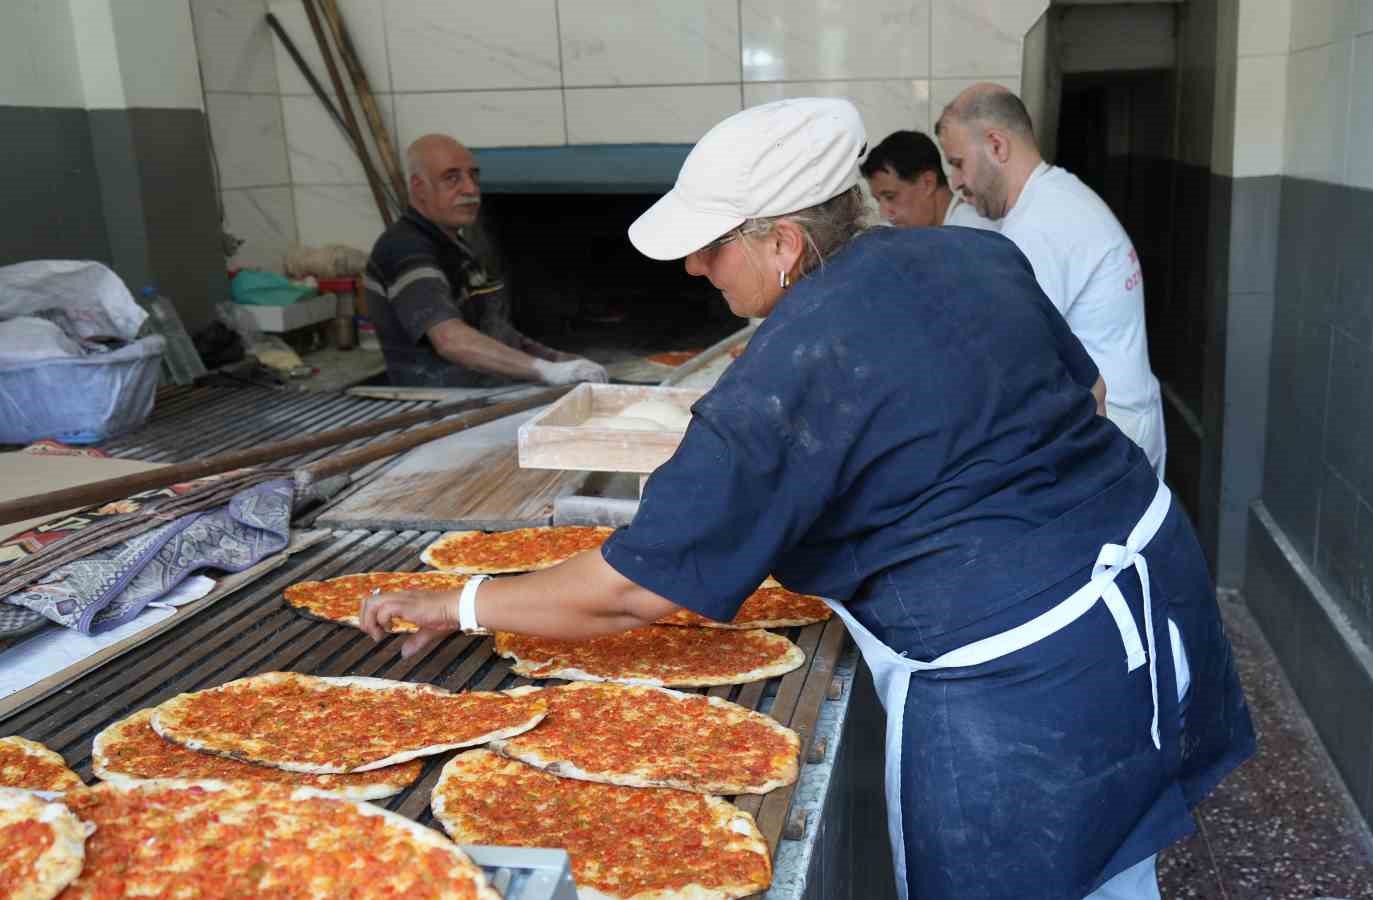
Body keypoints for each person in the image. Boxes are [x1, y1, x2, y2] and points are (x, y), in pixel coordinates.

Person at [361, 99, 1253, 900]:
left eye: (712, 247)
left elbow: (638, 587)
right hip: (1152, 583)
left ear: (784, 243)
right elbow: (1087, 398)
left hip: (1020, 682)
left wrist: (458, 603)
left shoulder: (786, 373)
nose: (697, 271)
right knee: (1116, 870)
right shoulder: (974, 252)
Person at [938, 84, 1168, 477]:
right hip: (1124, 417)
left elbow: (1012, 361)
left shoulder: (1041, 226)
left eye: (958, 163)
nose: (955, 181)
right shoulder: (1058, 196)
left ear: (997, 146)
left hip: (1108, 432)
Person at [363, 133, 607, 387]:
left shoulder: (455, 247)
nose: (471, 189)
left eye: (473, 176)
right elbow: (450, 340)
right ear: (418, 187)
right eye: (452, 178)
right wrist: (546, 371)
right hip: (437, 405)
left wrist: (563, 362)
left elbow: (498, 334)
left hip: (482, 390)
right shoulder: (405, 248)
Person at [860, 130, 996, 229]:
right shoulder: (903, 232)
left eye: (890, 197)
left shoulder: (976, 234)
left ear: (928, 183)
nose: (884, 213)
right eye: (878, 201)